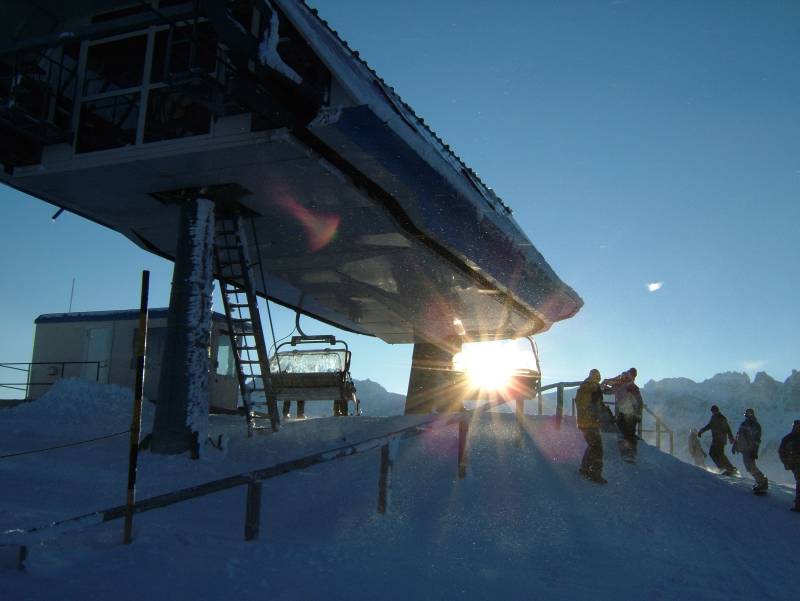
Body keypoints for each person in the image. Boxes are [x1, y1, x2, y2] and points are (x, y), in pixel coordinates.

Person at [603, 367, 643, 462]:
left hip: (631, 413)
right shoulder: (621, 386)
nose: (623, 380)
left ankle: (630, 454)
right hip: (625, 413)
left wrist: (638, 413)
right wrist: (604, 385)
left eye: (625, 378)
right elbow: (607, 391)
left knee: (629, 433)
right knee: (624, 432)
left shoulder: (631, 387)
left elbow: (639, 401)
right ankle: (626, 452)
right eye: (623, 378)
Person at [574, 369, 607, 484]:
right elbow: (596, 406)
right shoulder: (593, 387)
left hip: (583, 422)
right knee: (598, 448)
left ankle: (585, 468)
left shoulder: (583, 387)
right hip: (591, 422)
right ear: (596, 377)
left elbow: (584, 403)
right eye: (598, 377)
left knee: (592, 445)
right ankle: (595, 473)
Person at [732, 408, 768, 494]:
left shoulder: (755, 425)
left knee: (750, 466)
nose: (747, 416)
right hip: (744, 448)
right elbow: (738, 435)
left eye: (749, 415)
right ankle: (761, 481)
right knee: (748, 466)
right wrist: (735, 445)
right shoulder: (744, 424)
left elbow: (756, 440)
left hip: (750, 449)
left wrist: (754, 451)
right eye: (747, 415)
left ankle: (762, 482)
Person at [697, 405, 738, 476]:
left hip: (721, 440)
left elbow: (728, 428)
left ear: (717, 410)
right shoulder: (713, 418)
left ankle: (730, 469)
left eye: (714, 411)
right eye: (712, 411)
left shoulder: (722, 418)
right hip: (715, 439)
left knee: (720, 454)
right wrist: (701, 431)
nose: (713, 412)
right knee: (712, 453)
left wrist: (730, 438)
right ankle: (723, 467)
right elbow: (709, 426)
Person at [778, 420, 800, 512]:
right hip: (795, 464)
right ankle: (798, 504)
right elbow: (781, 452)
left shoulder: (788, 438)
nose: (797, 428)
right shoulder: (788, 438)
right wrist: (786, 462)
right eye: (796, 426)